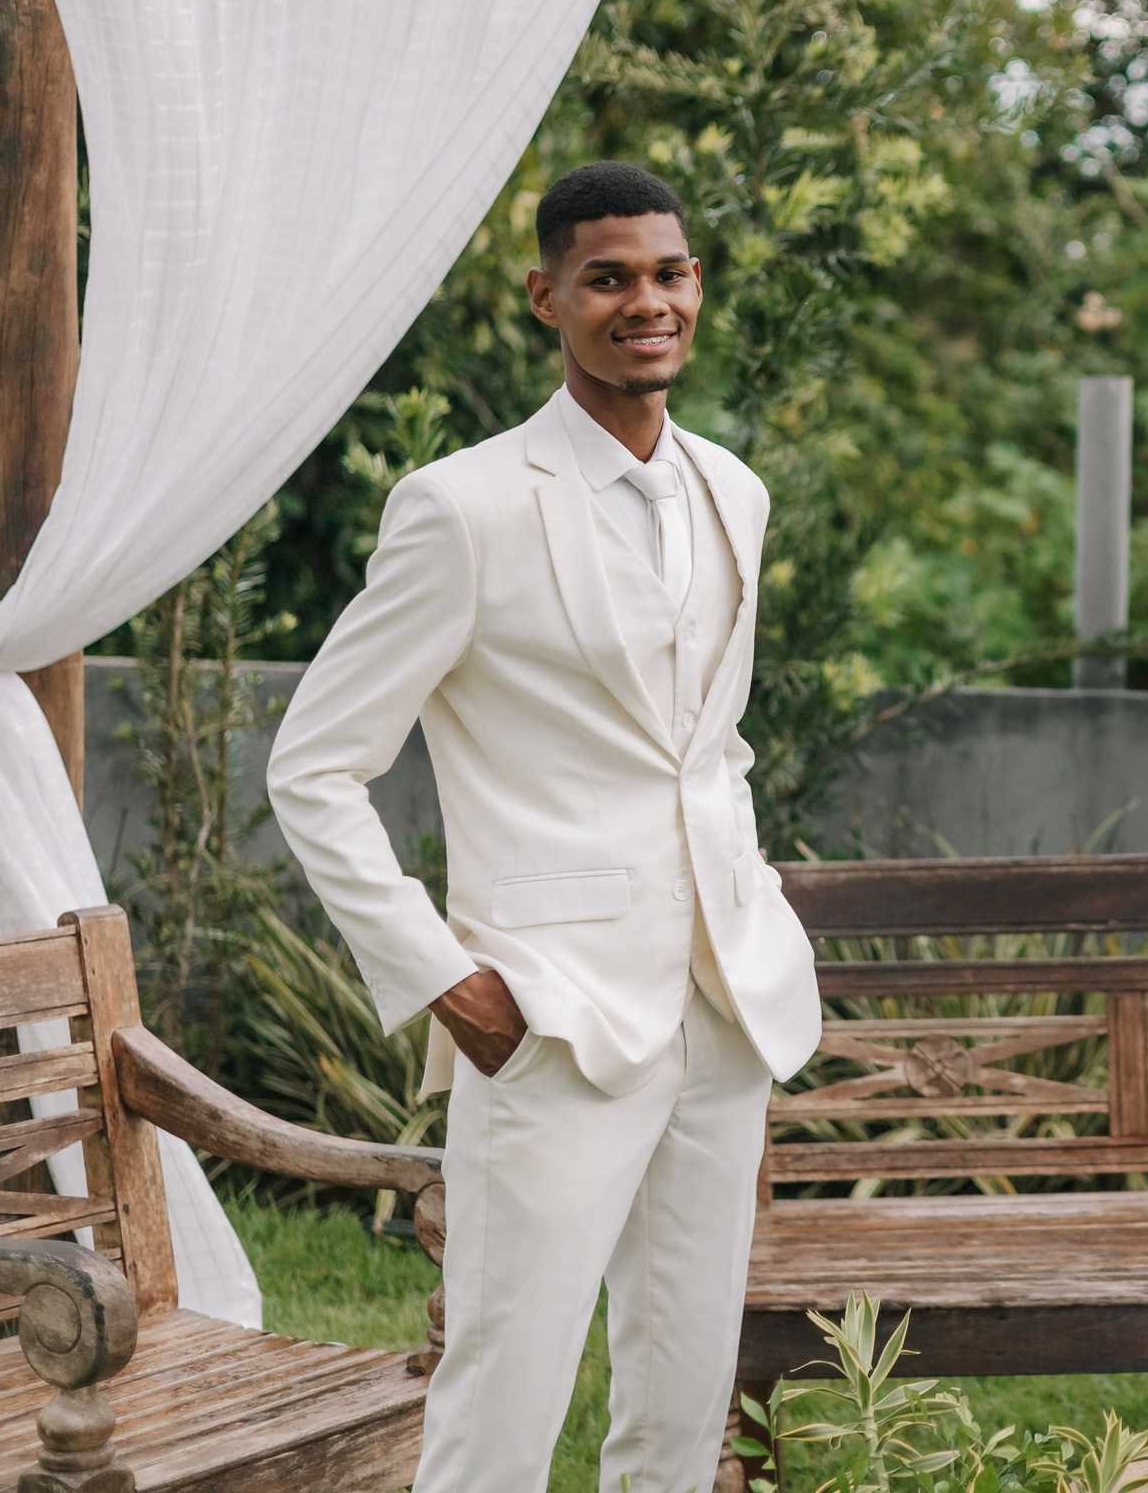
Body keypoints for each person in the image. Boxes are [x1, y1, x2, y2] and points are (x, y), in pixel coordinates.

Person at [267, 160, 819, 1493]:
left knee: (683, 1406)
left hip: (723, 1012)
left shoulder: (732, 491)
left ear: (698, 285)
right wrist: (443, 975)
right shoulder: (463, 507)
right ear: (547, 296)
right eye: (610, 277)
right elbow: (315, 765)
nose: (647, 301)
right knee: (503, 1403)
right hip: (553, 1016)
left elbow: (710, 748)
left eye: (669, 272)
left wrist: (749, 907)